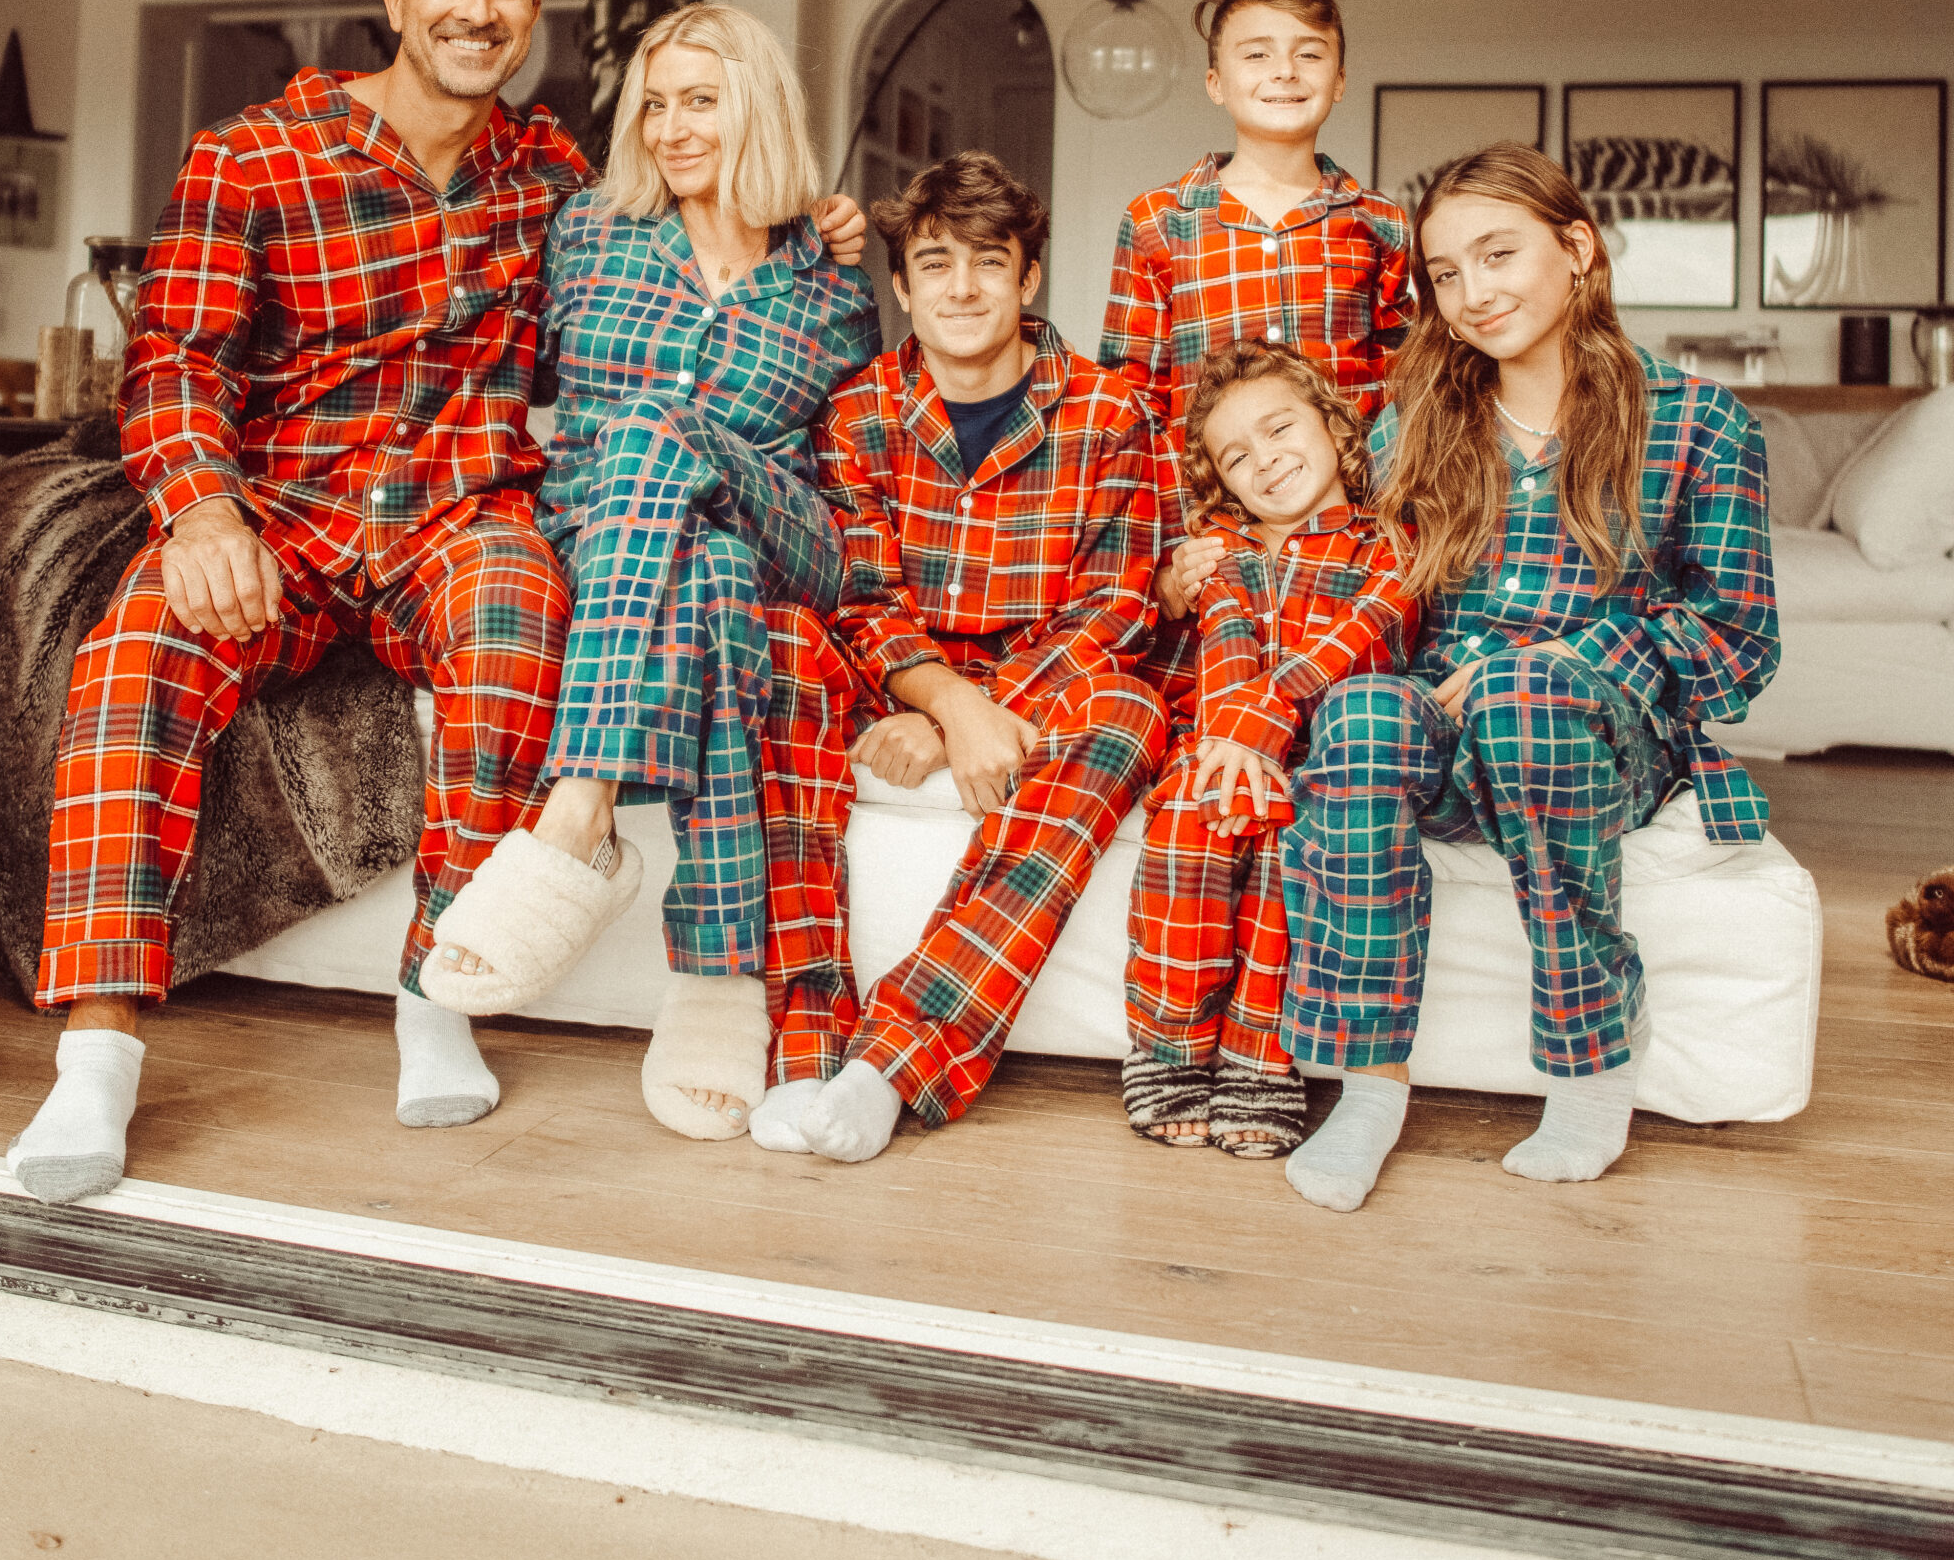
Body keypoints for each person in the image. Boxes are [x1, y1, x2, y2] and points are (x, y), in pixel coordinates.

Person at [9, 0, 589, 1200]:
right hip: (281, 518)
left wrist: (804, 227)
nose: (476, 6)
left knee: (517, 611)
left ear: (532, 14)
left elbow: (680, 261)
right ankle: (95, 1061)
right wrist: (201, 504)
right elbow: (173, 357)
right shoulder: (253, 156)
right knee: (131, 661)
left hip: (457, 514)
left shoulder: (555, 178)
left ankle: (438, 987)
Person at [1277, 144, 1780, 1215]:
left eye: (1496, 254)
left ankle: (1591, 1062)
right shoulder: (1416, 424)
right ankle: (1366, 1086)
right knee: (1363, 712)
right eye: (1444, 274)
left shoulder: (1699, 421)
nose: (1471, 293)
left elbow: (1739, 641)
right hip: (1441, 718)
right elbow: (1359, 587)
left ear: (1576, 248)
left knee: (1525, 700)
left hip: (1600, 728)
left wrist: (1571, 655)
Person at [422, 5, 880, 1145]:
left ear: (756, 106)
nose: (672, 127)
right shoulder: (587, 229)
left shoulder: (830, 287)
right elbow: (477, 359)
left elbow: (852, 480)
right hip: (610, 534)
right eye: (654, 103)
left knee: (667, 447)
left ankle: (576, 815)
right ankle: (718, 979)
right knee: (707, 568)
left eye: (700, 99)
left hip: (790, 525)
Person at [751, 153, 1166, 1164]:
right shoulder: (855, 415)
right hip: (891, 672)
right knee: (782, 645)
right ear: (900, 287)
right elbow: (859, 595)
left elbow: (1111, 610)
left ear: (1028, 280)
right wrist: (941, 702)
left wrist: (970, 714)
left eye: (990, 263)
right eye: (934, 265)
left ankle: (893, 1062)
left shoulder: (1110, 414)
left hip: (1031, 684)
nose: (963, 289)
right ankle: (803, 1046)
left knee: (1129, 714)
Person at [1124, 341, 1418, 1155]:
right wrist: (1230, 743)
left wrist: (1263, 722)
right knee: (1197, 811)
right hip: (1222, 742)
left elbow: (1369, 631)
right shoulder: (1225, 552)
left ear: (1332, 423)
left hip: (1331, 750)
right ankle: (1170, 1043)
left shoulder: (1383, 542)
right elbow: (1224, 638)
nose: (1267, 461)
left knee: (1296, 838)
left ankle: (1263, 1059)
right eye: (1237, 456)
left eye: (1281, 428)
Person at [1099, 0, 1414, 674]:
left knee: (1346, 727)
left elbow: (1405, 396)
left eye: (1309, 53)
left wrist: (1390, 527)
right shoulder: (1160, 222)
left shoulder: (1379, 224)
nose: (1284, 72)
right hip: (1212, 548)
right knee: (1220, 735)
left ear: (1338, 80)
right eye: (1257, 53)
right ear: (1216, 81)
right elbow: (1132, 405)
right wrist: (1159, 560)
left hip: (1347, 550)